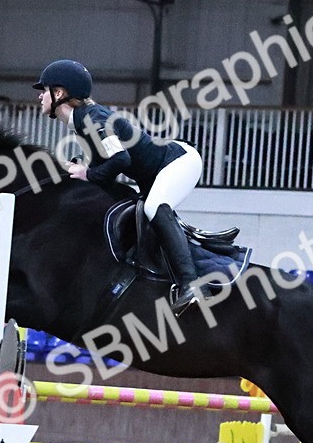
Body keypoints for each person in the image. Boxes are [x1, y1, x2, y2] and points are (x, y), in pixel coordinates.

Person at [33, 59, 203, 316]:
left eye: (43, 90)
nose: (40, 97)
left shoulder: (92, 120)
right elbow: (106, 165)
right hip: (155, 173)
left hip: (179, 161)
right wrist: (80, 169)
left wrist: (87, 173)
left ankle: (191, 286)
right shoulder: (82, 122)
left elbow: (121, 160)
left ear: (59, 94)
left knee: (154, 207)